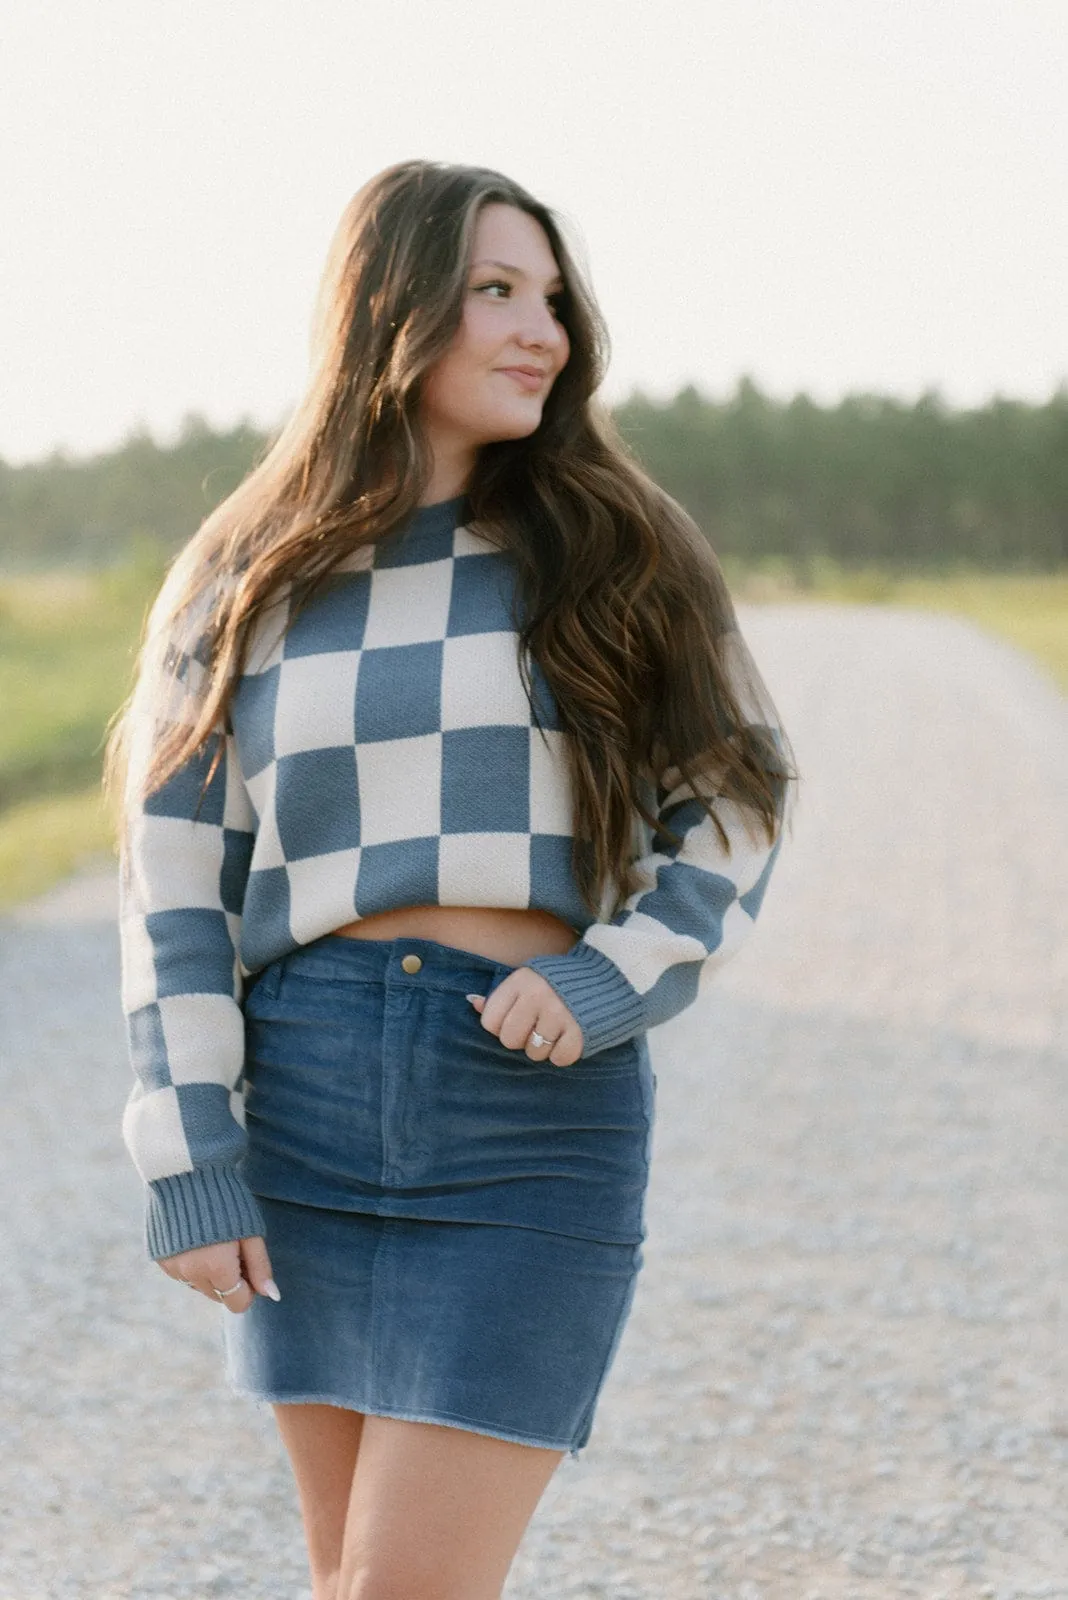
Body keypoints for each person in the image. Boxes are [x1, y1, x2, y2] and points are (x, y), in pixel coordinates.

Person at [103, 159, 797, 1600]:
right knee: (353, 1584)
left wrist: (616, 973)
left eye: (550, 296)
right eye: (495, 290)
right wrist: (192, 1157)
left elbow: (735, 796)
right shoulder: (242, 576)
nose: (540, 328)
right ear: (389, 306)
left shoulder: (619, 546)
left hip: (530, 1109)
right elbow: (172, 894)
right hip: (309, 1096)